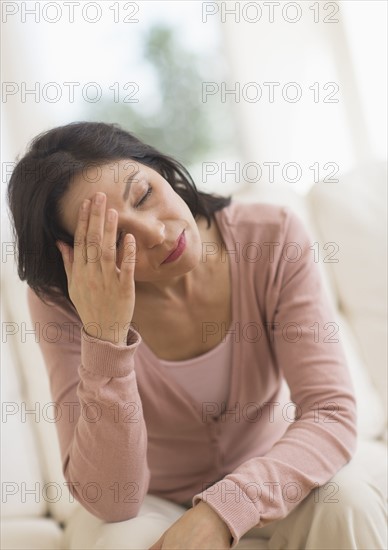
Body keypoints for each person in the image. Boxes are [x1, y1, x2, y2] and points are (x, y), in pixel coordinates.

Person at [7, 121, 386, 550]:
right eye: (115, 240)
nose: (155, 233)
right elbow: (113, 500)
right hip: (152, 501)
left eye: (144, 194)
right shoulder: (64, 301)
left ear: (162, 170)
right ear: (75, 261)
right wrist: (105, 336)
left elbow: (330, 412)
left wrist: (224, 510)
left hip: (269, 470)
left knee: (348, 502)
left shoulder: (271, 237)